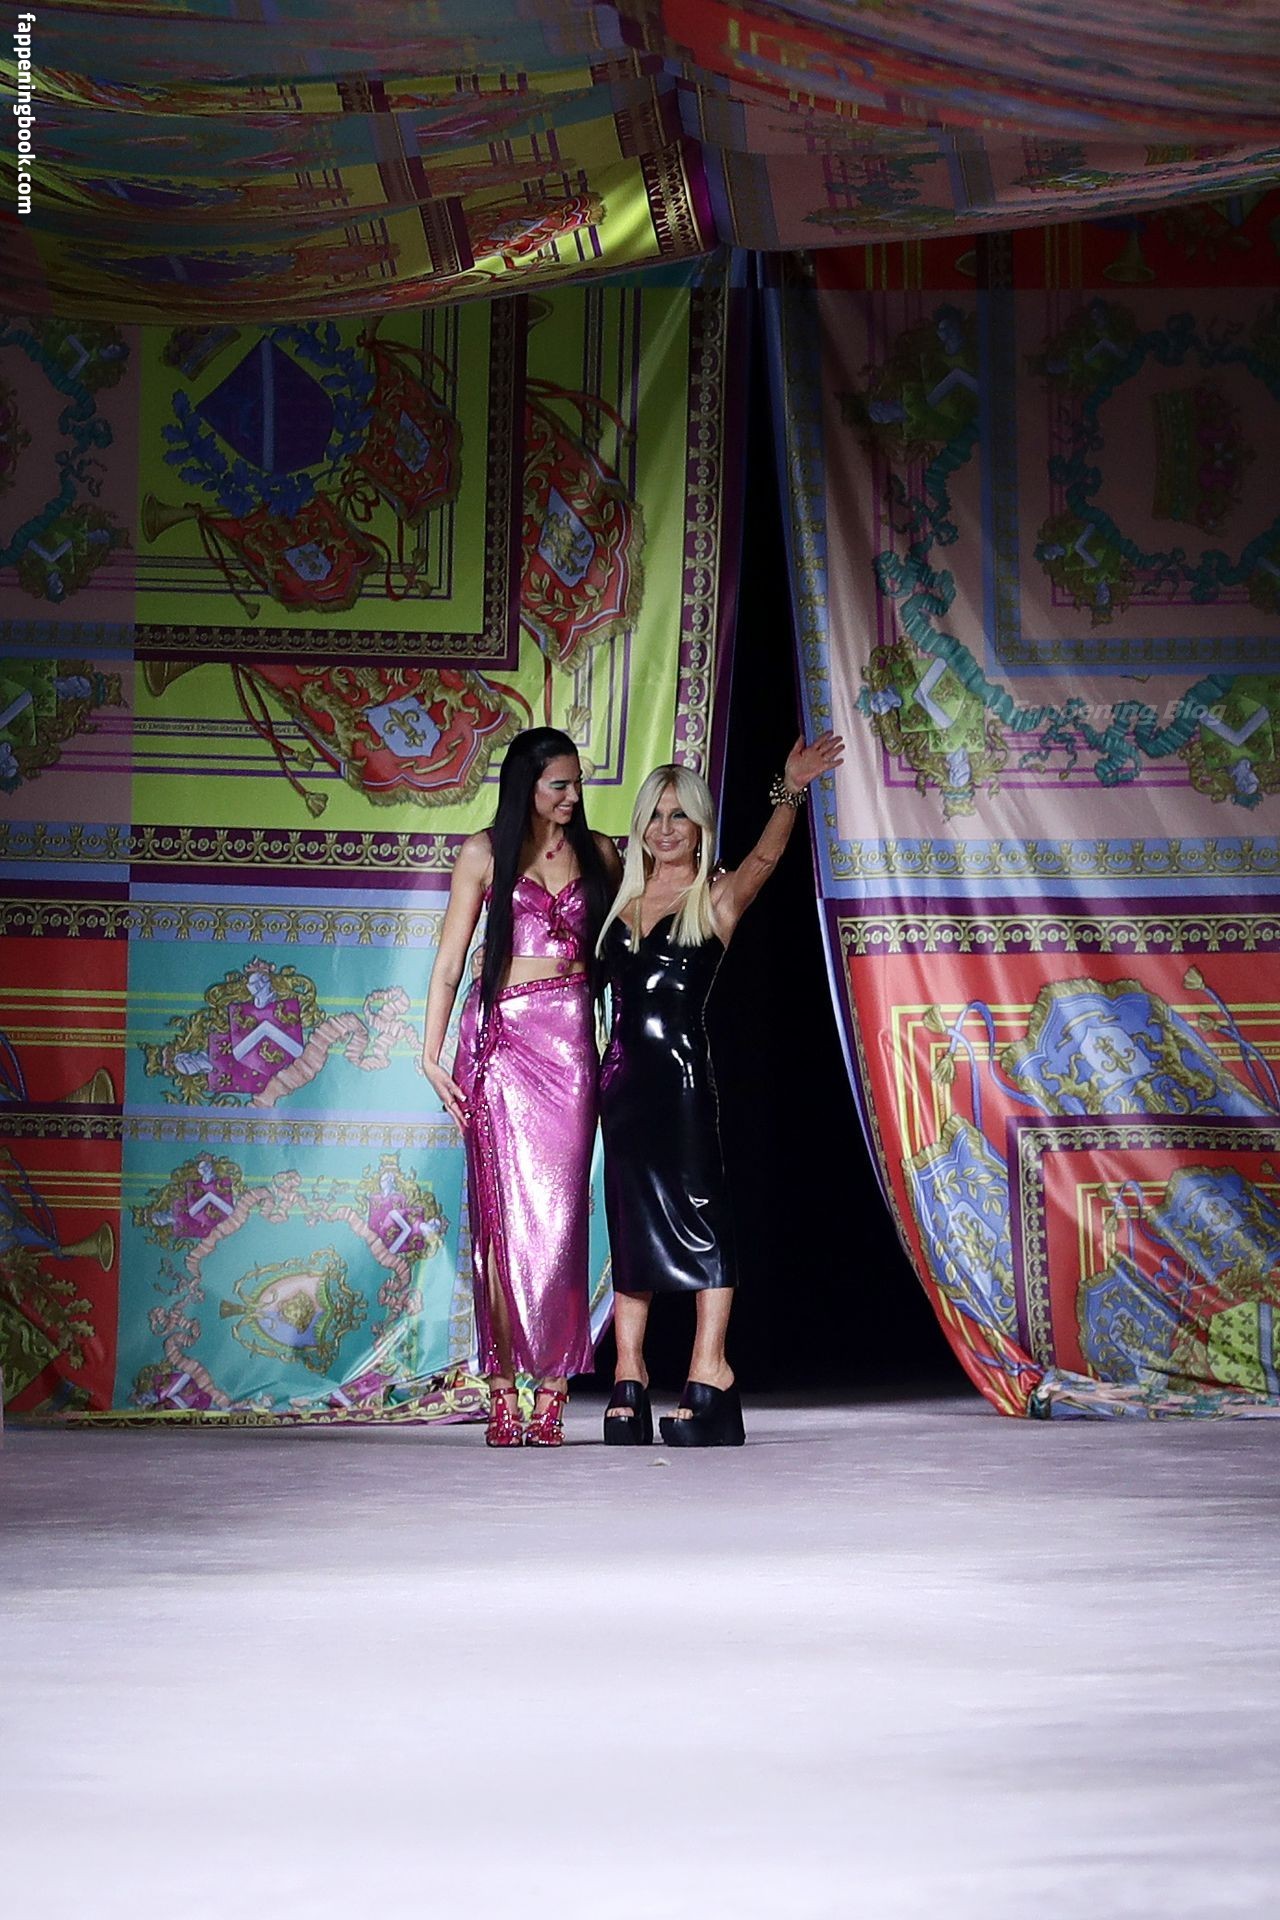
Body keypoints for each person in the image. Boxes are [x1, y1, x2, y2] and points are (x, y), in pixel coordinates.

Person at [596, 733, 843, 1447]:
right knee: (630, 1226)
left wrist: (789, 790)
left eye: (680, 815)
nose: (666, 828)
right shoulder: (619, 895)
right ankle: (629, 1372)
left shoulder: (716, 897)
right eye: (656, 814)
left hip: (679, 1083)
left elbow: (765, 859)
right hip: (620, 1084)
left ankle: (711, 1370)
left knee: (702, 1221)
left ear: (701, 826)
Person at [421, 729, 621, 1447]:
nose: (572, 796)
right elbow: (451, 963)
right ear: (525, 786)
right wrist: (429, 1053)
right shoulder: (484, 853)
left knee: (561, 1222)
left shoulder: (600, 854)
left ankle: (554, 1388)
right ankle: (503, 1387)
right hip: (501, 1043)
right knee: (500, 1222)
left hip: (569, 1047)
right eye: (558, 785)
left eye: (576, 783)